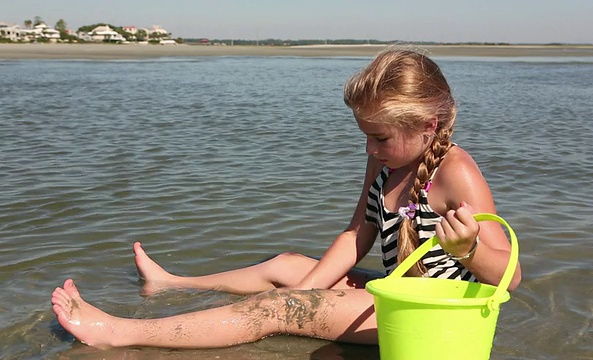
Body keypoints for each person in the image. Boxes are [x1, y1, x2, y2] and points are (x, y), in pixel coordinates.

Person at [51, 48, 521, 349]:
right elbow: (357, 233)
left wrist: (470, 249)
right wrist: (311, 286)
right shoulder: (387, 161)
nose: (369, 149)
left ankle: (119, 333)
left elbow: (511, 275)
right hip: (396, 294)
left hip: (429, 323)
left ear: (428, 127)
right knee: (285, 264)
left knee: (277, 309)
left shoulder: (457, 173)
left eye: (379, 138)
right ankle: (174, 283)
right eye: (365, 136)